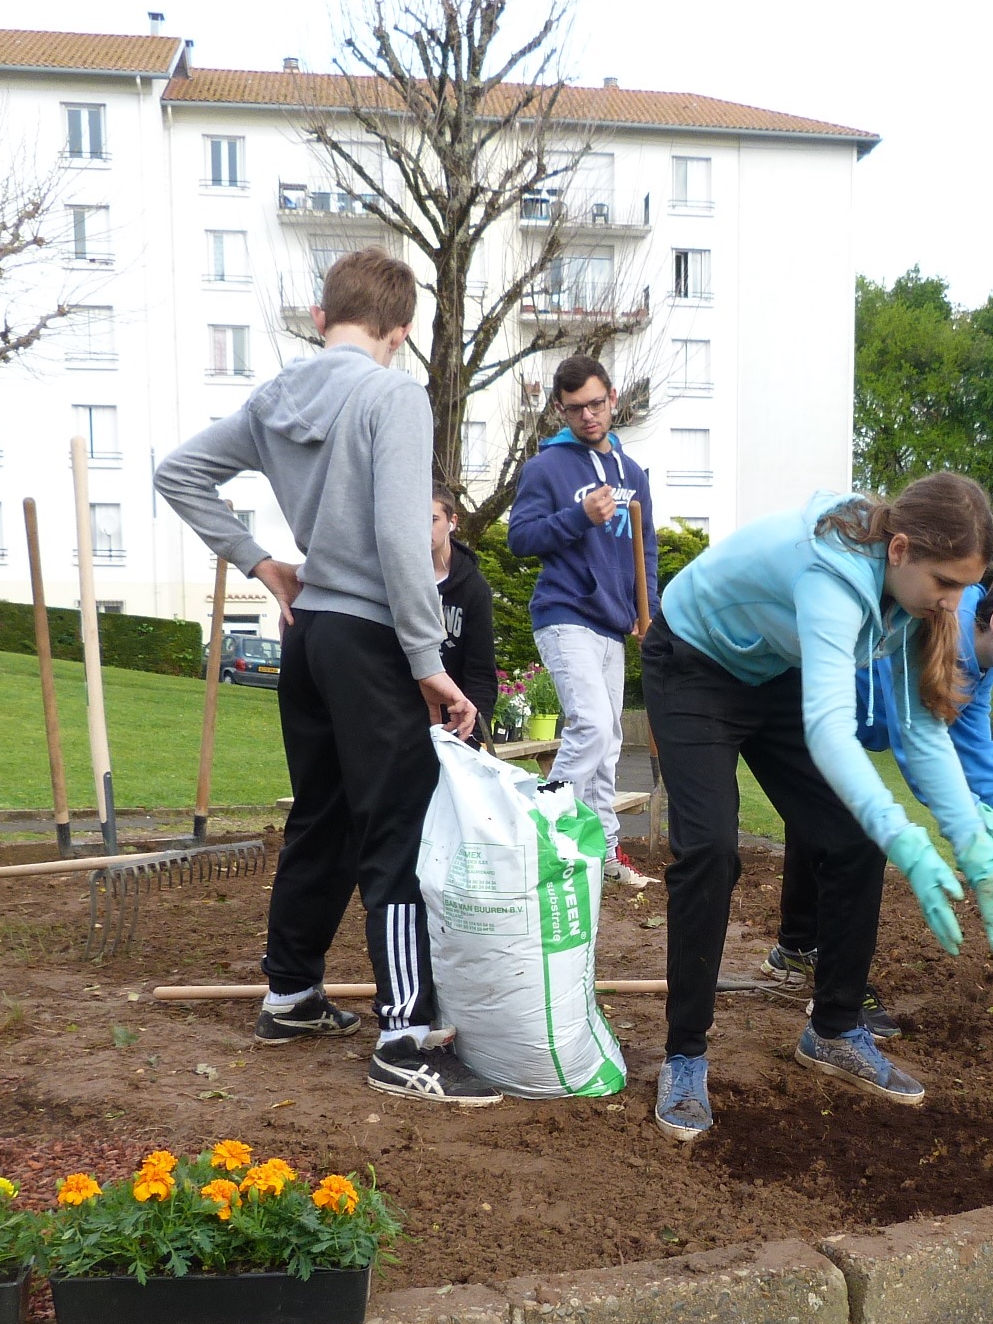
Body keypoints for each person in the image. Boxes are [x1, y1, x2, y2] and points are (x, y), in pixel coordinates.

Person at [153, 246, 503, 1108]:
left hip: (308, 640)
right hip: (371, 639)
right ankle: (406, 1037)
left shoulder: (275, 398)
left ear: (321, 318)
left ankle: (292, 995)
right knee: (397, 835)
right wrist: (429, 663)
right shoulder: (393, 393)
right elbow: (397, 539)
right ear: (402, 332)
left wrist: (265, 565)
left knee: (322, 819)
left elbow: (178, 472)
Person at [641, 475, 993, 1142]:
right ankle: (685, 1054)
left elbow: (922, 735)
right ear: (899, 550)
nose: (956, 604)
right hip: (693, 662)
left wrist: (978, 855)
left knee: (851, 840)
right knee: (710, 852)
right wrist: (912, 843)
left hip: (771, 670)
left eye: (964, 587)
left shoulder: (915, 607)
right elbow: (832, 735)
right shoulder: (832, 576)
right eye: (947, 584)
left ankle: (833, 1030)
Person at [770, 554, 993, 1036]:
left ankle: (795, 948)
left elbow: (975, 751)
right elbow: (920, 756)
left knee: (824, 822)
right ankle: (840, 996)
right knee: (856, 838)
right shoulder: (945, 637)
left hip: (839, 727)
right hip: (797, 707)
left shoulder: (979, 658)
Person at [506, 354, 662, 890]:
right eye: (576, 409)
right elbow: (520, 539)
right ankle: (542, 833)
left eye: (596, 404)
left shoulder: (632, 473)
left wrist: (650, 614)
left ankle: (605, 854)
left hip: (612, 624)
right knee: (592, 725)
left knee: (610, 742)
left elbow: (647, 550)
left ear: (613, 398)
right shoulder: (545, 468)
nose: (589, 416)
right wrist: (579, 516)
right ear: (560, 409)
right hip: (564, 613)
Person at [431, 492, 498, 746]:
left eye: (434, 519)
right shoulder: (395, 580)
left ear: (452, 521)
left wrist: (476, 733)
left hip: (455, 716)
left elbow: (481, 669)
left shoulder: (474, 587)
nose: (425, 528)